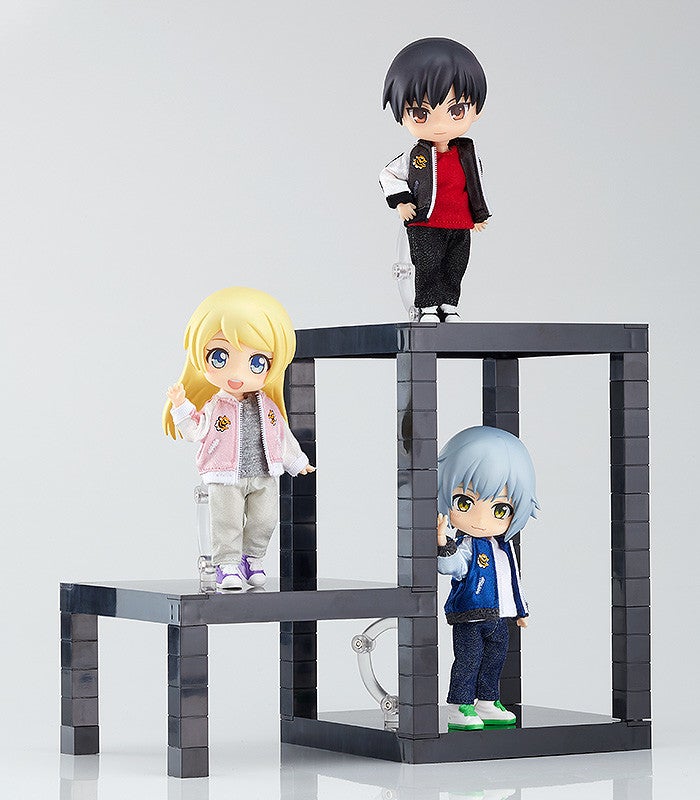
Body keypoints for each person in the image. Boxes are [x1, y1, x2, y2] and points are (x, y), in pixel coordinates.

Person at [163, 287, 315, 590]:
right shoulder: (215, 406)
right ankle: (228, 565)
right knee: (226, 521)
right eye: (220, 357)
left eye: (256, 362)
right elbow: (195, 431)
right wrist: (180, 406)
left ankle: (252, 558)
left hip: (264, 473)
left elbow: (281, 436)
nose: (237, 373)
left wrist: (297, 462)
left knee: (266, 518)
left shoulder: (268, 406)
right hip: (225, 474)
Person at [380, 37, 491, 323]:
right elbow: (389, 174)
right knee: (427, 264)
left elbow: (474, 184)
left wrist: (478, 214)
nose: (440, 125)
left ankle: (449, 304)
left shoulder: (467, 153)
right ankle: (428, 305)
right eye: (421, 113)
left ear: (476, 111)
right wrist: (402, 202)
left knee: (456, 265)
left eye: (456, 111)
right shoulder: (415, 155)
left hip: (459, 222)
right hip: (426, 222)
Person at [437, 426, 538, 730]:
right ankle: (460, 704)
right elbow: (454, 566)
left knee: (495, 658)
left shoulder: (504, 547)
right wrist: (443, 544)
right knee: (468, 660)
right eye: (464, 503)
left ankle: (487, 700)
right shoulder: (468, 545)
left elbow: (512, 581)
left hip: (501, 616)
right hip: (471, 614)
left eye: (501, 508)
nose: (481, 520)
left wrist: (521, 610)